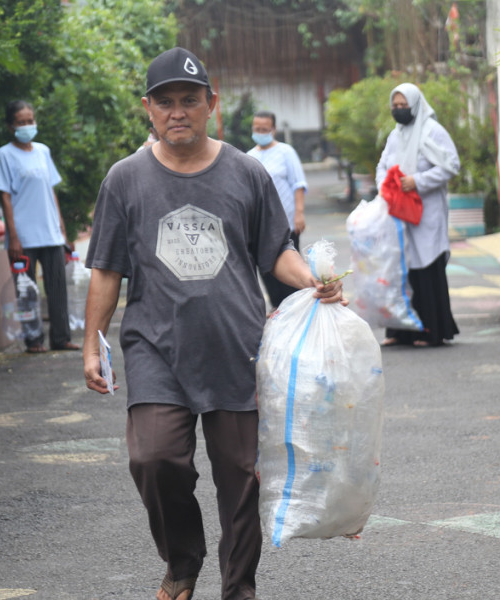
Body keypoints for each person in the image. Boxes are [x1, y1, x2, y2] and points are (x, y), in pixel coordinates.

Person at [82, 47, 345, 600]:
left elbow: (277, 251)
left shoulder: (246, 172)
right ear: (148, 109)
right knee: (153, 458)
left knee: (242, 479)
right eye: (165, 102)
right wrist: (91, 346)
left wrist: (312, 280)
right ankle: (183, 562)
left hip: (237, 346)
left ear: (211, 104)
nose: (177, 112)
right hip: (156, 348)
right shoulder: (125, 180)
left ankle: (238, 589)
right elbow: (106, 270)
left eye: (189, 100)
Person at [0, 100, 80, 353]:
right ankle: (33, 340)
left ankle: (61, 338)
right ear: (11, 127)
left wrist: (62, 228)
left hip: (51, 234)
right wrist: (13, 236)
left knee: (57, 288)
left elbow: (50, 191)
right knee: (26, 292)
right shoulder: (5, 154)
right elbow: (5, 196)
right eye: (21, 122)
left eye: (30, 121)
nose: (27, 126)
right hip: (23, 236)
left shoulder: (42, 151)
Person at [376, 82, 460, 347]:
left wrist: (418, 181)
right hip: (399, 213)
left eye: (404, 105)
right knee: (401, 271)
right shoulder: (396, 135)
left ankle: (431, 331)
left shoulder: (432, 131)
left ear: (416, 105)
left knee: (426, 269)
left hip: (427, 214)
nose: (399, 110)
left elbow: (451, 165)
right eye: (395, 105)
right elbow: (382, 166)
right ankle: (401, 331)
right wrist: (384, 188)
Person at [247, 110, 308, 308]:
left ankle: (297, 308)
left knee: (291, 266)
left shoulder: (286, 152)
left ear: (273, 130)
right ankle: (278, 309)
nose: (260, 132)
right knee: (267, 270)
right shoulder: (249, 157)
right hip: (261, 227)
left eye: (264, 129)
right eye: (257, 129)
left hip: (287, 224)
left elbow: (298, 183)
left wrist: (299, 213)